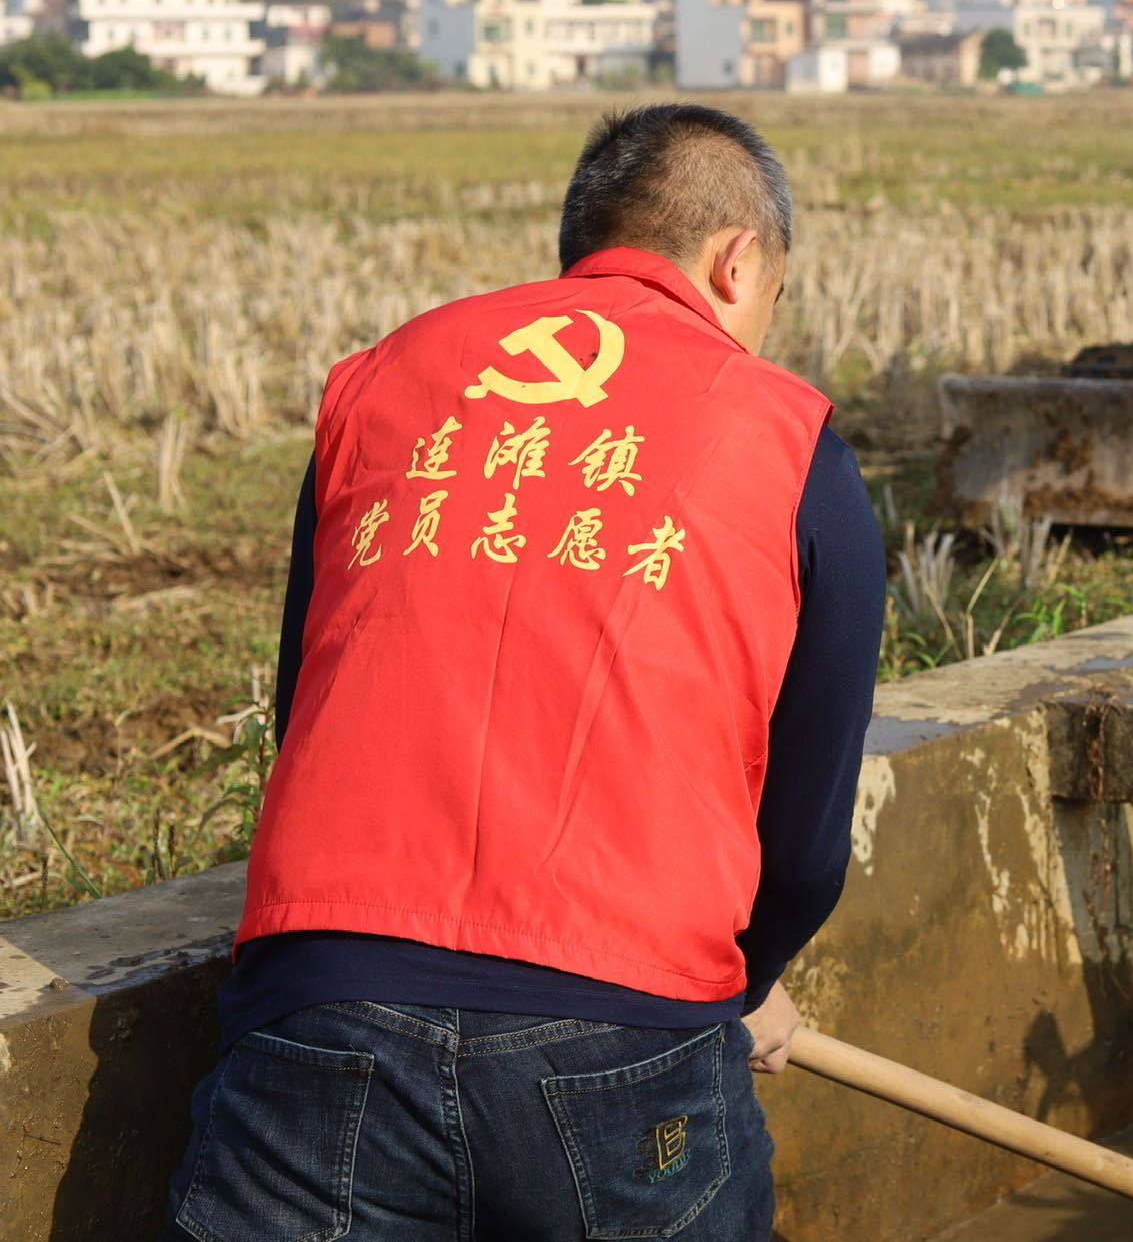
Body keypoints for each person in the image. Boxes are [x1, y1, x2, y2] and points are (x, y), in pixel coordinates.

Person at [163, 104, 884, 1241]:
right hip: (624, 1031)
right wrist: (744, 976)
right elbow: (803, 837)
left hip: (323, 1002)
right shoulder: (786, 435)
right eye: (772, 302)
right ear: (738, 260)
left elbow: (316, 692)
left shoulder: (379, 381)